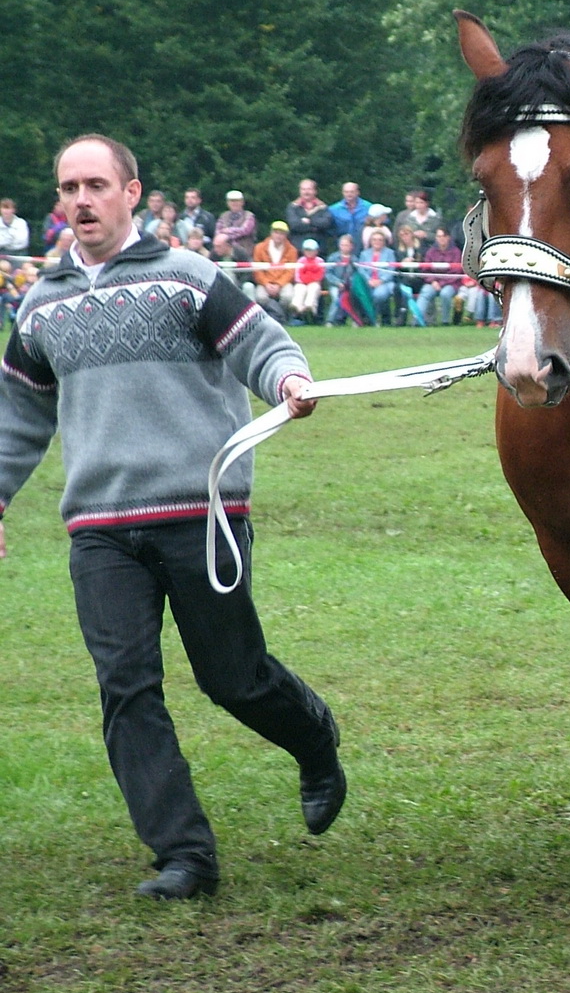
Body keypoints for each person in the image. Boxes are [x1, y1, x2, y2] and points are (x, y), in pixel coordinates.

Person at [0, 135, 346, 901]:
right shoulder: (41, 302)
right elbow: (17, 412)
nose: (81, 199)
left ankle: (312, 735)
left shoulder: (188, 276)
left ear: (131, 192)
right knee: (125, 688)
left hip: (201, 513)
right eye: (69, 187)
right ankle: (183, 854)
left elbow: (261, 344)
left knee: (233, 678)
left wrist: (288, 379)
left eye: (96, 184)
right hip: (99, 529)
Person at [251, 220, 298, 320]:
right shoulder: (259, 248)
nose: (278, 236)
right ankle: (273, 317)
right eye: (276, 232)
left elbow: (290, 272)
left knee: (288, 296)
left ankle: (280, 317)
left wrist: (279, 284)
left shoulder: (292, 250)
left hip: (283, 283)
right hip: (264, 282)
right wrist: (266, 283)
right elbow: (257, 270)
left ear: (286, 236)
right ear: (271, 233)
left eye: (282, 233)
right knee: (261, 297)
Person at [417, 226, 464, 325]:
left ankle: (445, 321)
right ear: (436, 238)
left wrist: (441, 283)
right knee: (425, 292)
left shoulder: (456, 252)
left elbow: (456, 272)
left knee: (445, 294)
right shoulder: (431, 252)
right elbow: (425, 270)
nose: (441, 239)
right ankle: (417, 320)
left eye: (444, 236)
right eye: (439, 236)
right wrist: (433, 281)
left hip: (451, 283)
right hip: (433, 283)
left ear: (448, 237)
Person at [285, 179, 332, 254]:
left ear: (315, 191)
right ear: (300, 191)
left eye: (309, 189)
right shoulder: (293, 207)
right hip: (298, 249)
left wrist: (309, 221)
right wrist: (315, 227)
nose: (306, 192)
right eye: (303, 189)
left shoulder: (323, 207)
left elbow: (326, 223)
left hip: (319, 249)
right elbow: (294, 225)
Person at [289, 238, 326, 323]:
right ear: (303, 251)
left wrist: (309, 279)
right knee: (299, 289)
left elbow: (320, 276)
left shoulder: (320, 261)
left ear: (316, 251)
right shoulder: (300, 261)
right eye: (307, 250)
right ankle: (296, 307)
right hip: (302, 282)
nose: (309, 252)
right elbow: (297, 275)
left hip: (314, 283)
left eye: (311, 250)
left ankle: (309, 308)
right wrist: (304, 280)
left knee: (313, 289)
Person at [214, 191, 257, 262]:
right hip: (224, 254)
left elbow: (245, 230)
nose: (234, 203)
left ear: (242, 202)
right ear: (227, 203)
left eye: (237, 201)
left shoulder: (249, 216)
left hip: (245, 255)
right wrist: (232, 232)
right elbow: (218, 233)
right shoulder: (223, 216)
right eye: (231, 201)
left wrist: (226, 232)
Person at [328, 182, 372, 248]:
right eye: (346, 192)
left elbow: (382, 221)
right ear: (342, 193)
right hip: (342, 245)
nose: (349, 194)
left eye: (352, 192)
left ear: (358, 192)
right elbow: (329, 228)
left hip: (364, 244)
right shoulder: (334, 209)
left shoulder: (368, 207)